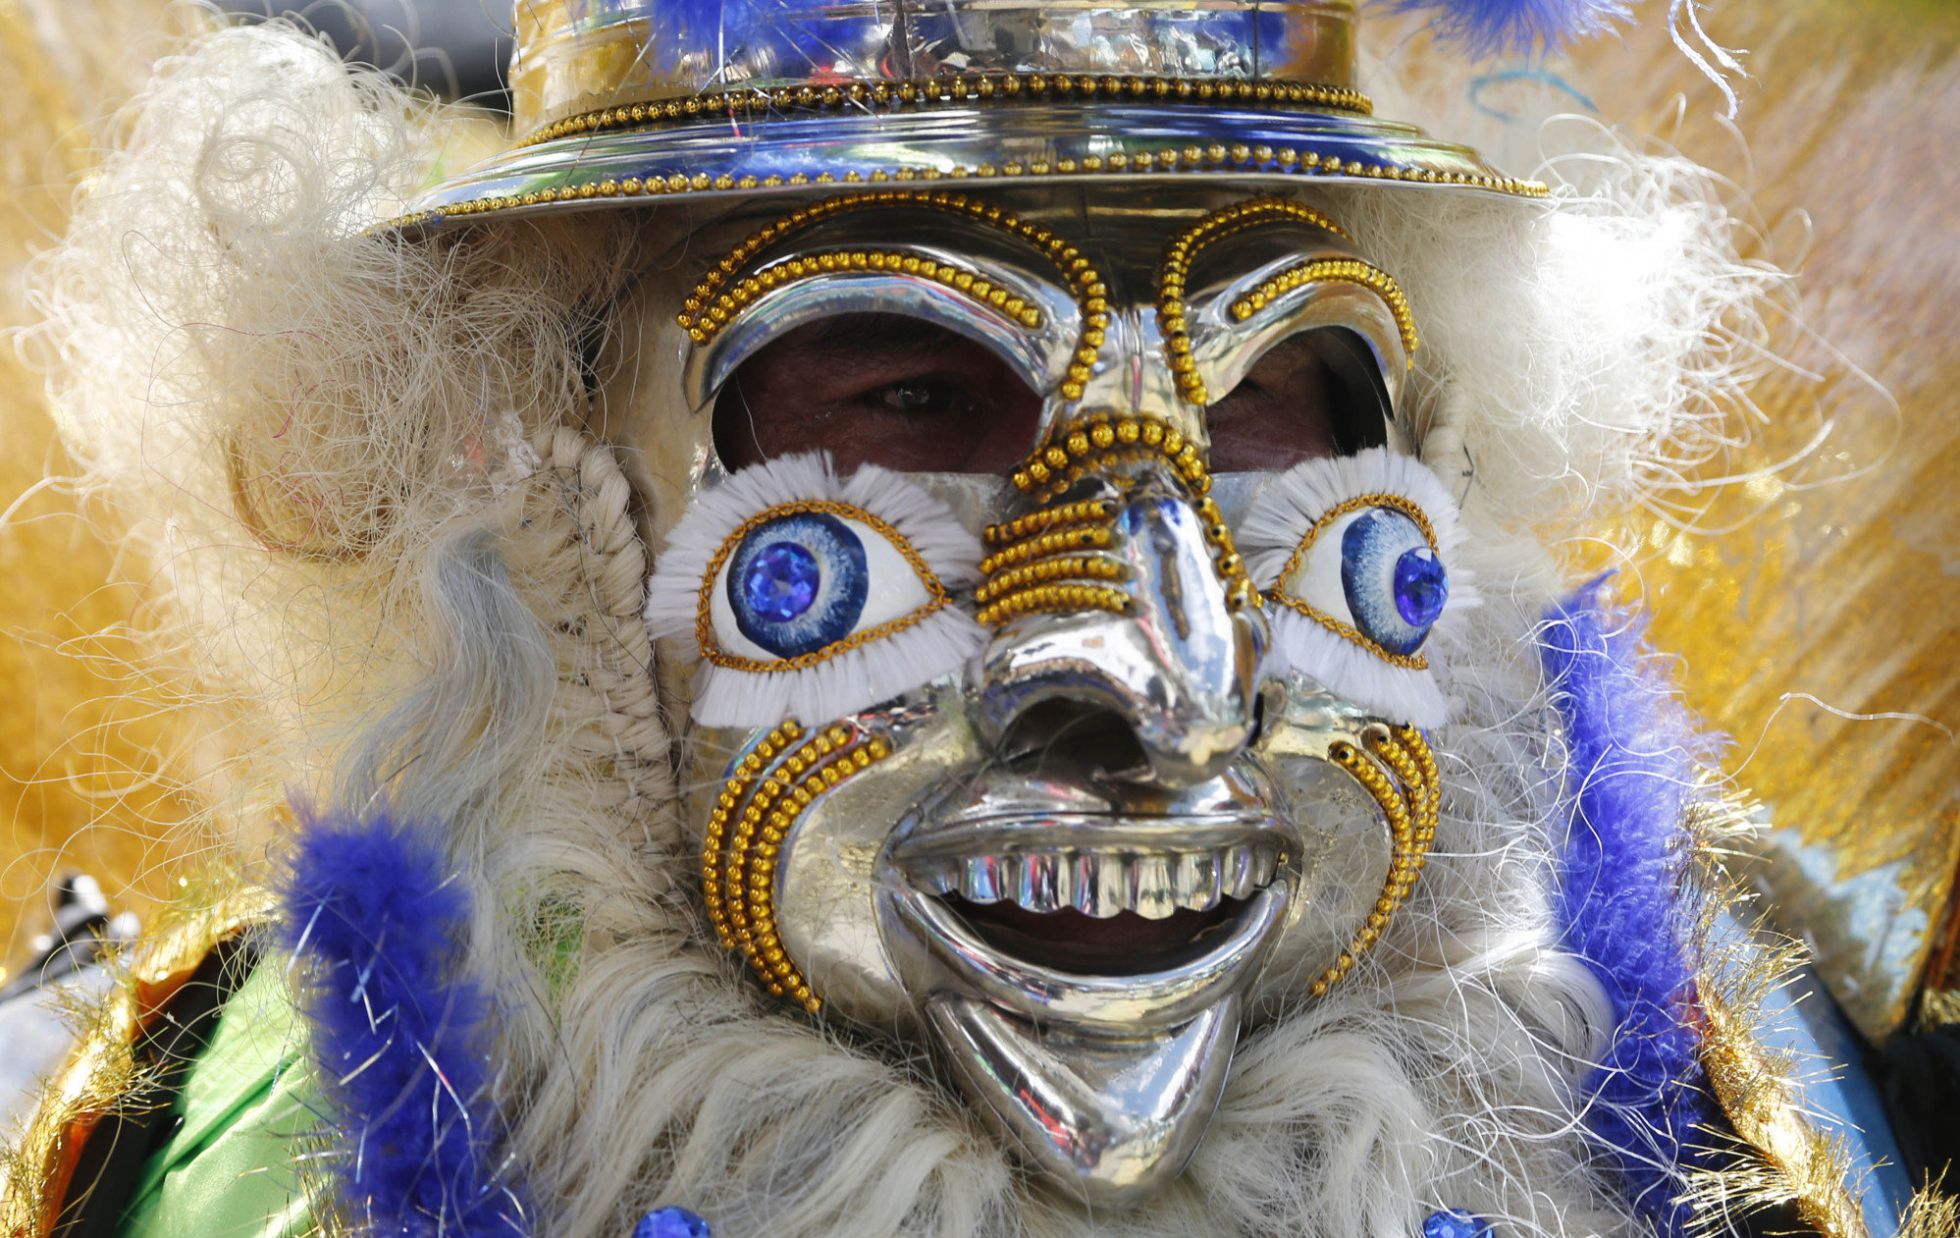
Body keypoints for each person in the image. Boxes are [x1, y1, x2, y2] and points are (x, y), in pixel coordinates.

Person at [0, 1, 1930, 1234]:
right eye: (913, 398)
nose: (1155, 689)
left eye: (1263, 409)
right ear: (551, 494)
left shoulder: (1809, 1108)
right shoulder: (151, 1162)